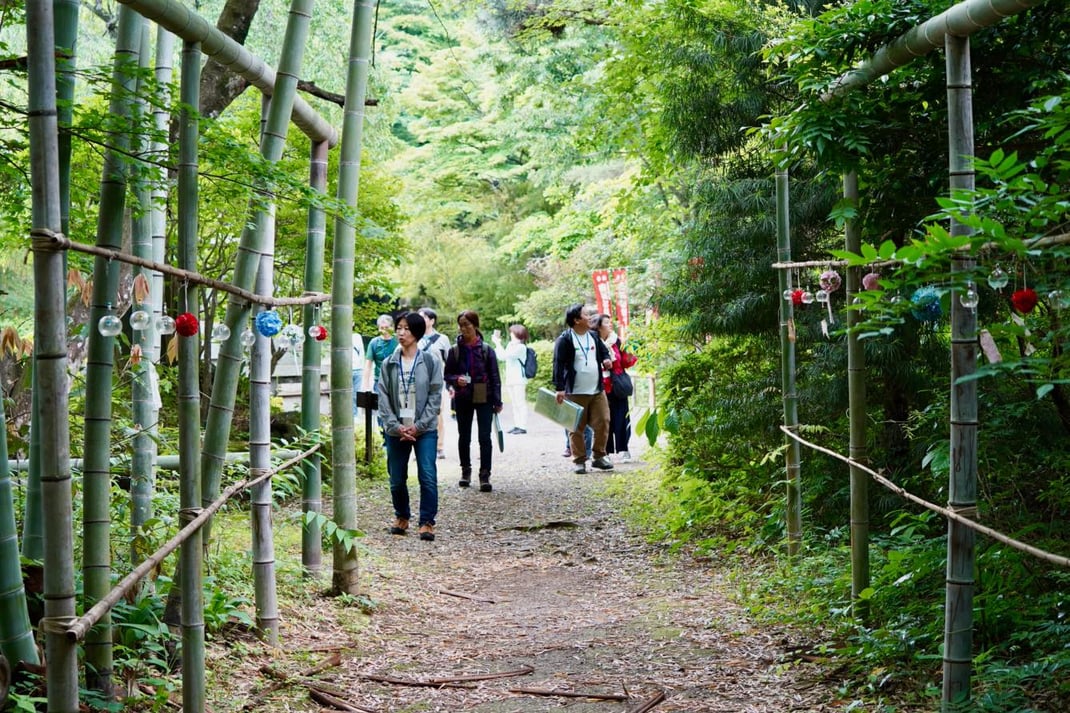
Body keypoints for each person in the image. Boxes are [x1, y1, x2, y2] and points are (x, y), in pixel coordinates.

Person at [377, 312, 443, 541]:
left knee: (427, 474)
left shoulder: (430, 360)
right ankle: (402, 516)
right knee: (396, 477)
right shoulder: (389, 362)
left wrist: (419, 425)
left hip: (424, 430)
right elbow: (383, 396)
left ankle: (426, 522)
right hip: (397, 429)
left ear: (416, 332)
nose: (401, 332)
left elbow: (436, 394)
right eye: (399, 328)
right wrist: (395, 426)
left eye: (406, 328)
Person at [444, 310, 502, 491]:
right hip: (463, 396)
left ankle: (485, 474)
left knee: (485, 437)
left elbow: (495, 376)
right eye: (461, 325)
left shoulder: (486, 350)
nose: (464, 329)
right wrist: (456, 380)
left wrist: (497, 401)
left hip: (483, 394)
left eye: (467, 325)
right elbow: (447, 375)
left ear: (475, 325)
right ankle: (465, 471)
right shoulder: (454, 351)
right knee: (464, 436)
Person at [552, 303, 613, 474]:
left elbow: (603, 352)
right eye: (586, 314)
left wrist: (606, 359)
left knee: (603, 421)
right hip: (575, 391)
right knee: (575, 427)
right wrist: (560, 388)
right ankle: (579, 460)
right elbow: (558, 364)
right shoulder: (565, 340)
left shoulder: (593, 335)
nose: (590, 317)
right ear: (577, 320)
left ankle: (599, 456)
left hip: (596, 389)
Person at [597, 313, 638, 462]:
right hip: (601, 386)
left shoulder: (617, 341)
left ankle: (624, 449)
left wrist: (629, 352)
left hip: (617, 386)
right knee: (604, 419)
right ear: (599, 326)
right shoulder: (593, 343)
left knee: (622, 418)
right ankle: (605, 452)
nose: (610, 325)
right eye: (607, 322)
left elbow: (627, 362)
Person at [418, 307, 451, 459]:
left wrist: (451, 384)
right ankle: (419, 447)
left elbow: (450, 363)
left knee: (438, 415)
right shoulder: (413, 336)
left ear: (432, 320)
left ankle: (439, 447)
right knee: (417, 414)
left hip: (437, 383)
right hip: (417, 383)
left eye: (424, 318)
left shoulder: (442, 339)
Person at [491, 324, 530, 434]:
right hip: (510, 378)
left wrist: (497, 343)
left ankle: (522, 426)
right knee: (514, 403)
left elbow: (505, 355)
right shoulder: (510, 345)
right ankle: (517, 425)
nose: (511, 335)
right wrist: (498, 345)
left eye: (512, 333)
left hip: (519, 379)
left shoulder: (521, 347)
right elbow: (501, 357)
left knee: (520, 403)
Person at [362, 314, 398, 392]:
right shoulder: (374, 343)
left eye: (387, 328)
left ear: (392, 327)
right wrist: (366, 386)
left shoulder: (399, 341)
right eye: (382, 328)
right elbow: (368, 366)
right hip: (379, 382)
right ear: (378, 328)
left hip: (397, 381)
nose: (384, 331)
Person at [351, 331, 365, 416]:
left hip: (358, 369)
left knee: (356, 394)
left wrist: (362, 367)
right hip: (346, 370)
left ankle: (355, 415)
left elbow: (362, 352)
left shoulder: (357, 336)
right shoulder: (339, 335)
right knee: (347, 394)